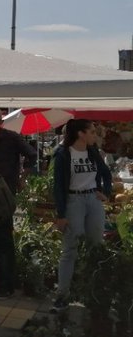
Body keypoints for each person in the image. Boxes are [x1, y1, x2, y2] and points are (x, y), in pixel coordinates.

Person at [51, 118, 112, 310]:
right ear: (81, 134)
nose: (95, 135)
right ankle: (62, 295)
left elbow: (106, 173)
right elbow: (58, 186)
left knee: (97, 246)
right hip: (73, 201)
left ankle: (94, 293)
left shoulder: (92, 151)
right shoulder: (63, 153)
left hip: (92, 199)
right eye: (92, 132)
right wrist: (61, 214)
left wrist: (106, 192)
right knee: (70, 249)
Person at [0, 107, 37, 297]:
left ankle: (6, 283)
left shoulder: (12, 137)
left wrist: (23, 174)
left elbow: (32, 154)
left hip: (5, 190)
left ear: (0, 123)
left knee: (4, 236)